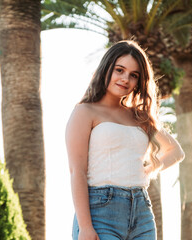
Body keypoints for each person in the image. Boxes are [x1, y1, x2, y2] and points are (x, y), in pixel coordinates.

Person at [65, 40, 185, 240]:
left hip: (142, 213)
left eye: (133, 75)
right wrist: (85, 227)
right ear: (107, 68)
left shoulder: (140, 117)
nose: (125, 79)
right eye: (119, 70)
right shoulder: (84, 112)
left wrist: (147, 170)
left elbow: (176, 151)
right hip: (99, 212)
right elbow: (77, 171)